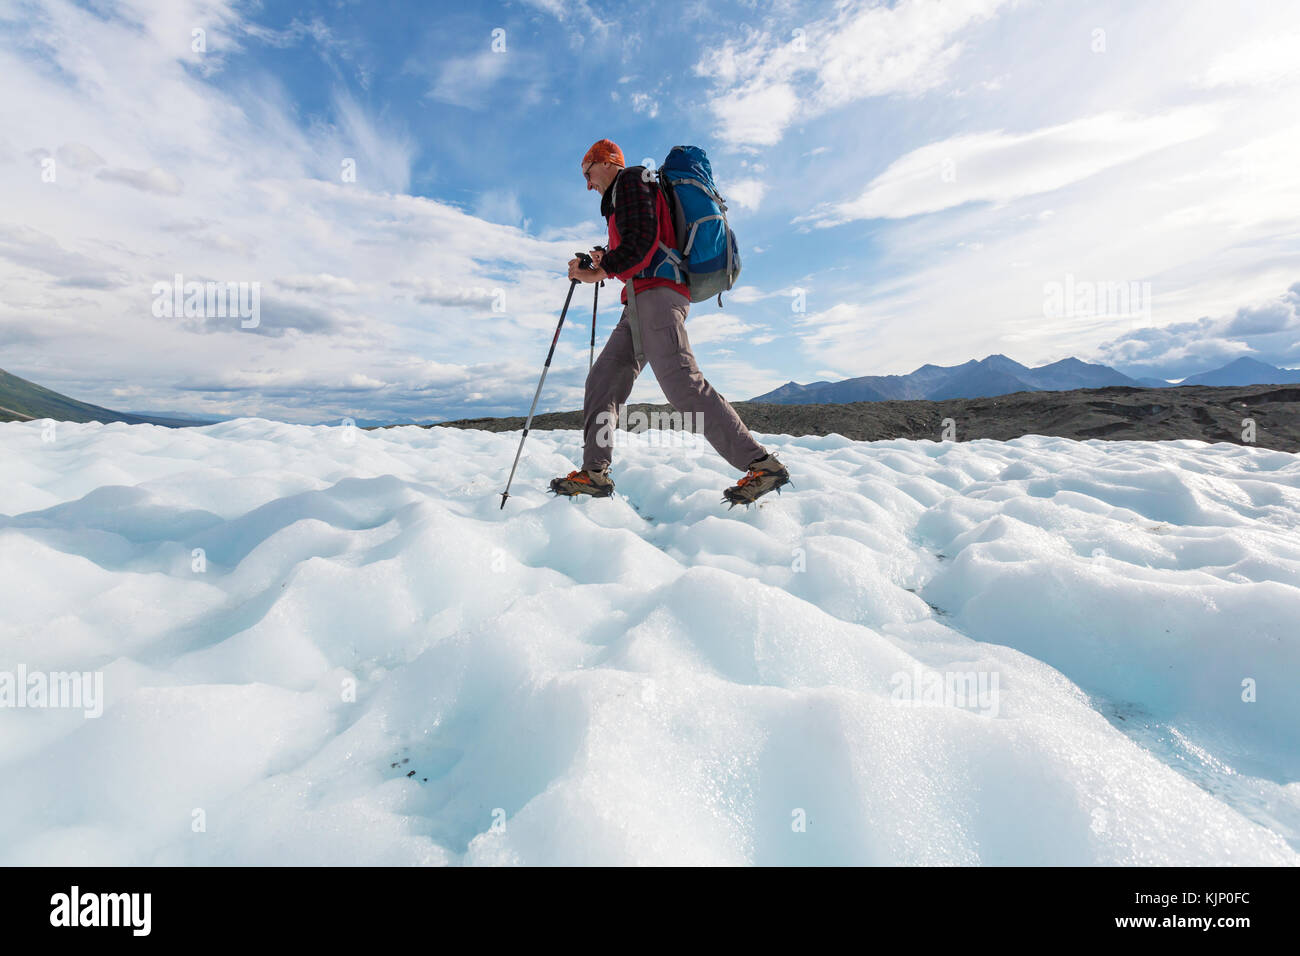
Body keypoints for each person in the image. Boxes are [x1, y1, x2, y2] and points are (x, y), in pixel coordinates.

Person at [549, 138, 788, 507]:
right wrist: (606, 257)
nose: (587, 183)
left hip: (657, 297)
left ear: (608, 162)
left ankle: (761, 465)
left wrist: (600, 271)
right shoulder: (628, 192)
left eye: (588, 172)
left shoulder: (630, 181)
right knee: (603, 382)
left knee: (683, 387)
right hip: (640, 304)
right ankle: (594, 472)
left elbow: (643, 243)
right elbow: (643, 239)